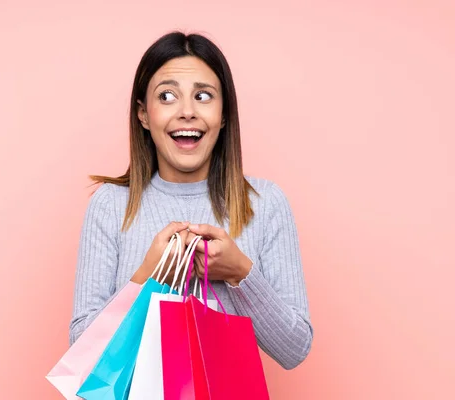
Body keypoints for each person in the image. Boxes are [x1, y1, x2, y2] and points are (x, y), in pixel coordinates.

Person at [69, 31, 313, 370]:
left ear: (224, 114)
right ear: (143, 114)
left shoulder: (265, 204)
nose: (187, 112)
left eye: (203, 96)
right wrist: (147, 277)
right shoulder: (110, 207)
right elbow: (83, 360)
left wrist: (240, 273)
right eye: (167, 96)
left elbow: (295, 349)